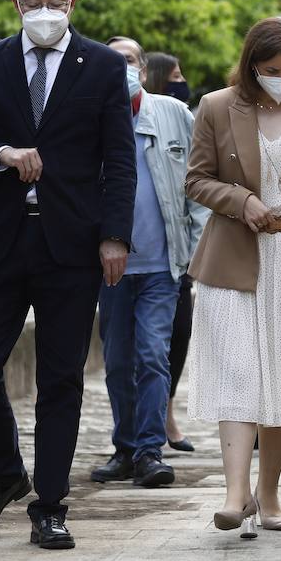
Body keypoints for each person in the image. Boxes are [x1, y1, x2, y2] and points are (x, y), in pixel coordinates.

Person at [0, 0, 136, 550]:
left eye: (56, 1)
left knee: (61, 379)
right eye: (34, 3)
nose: (45, 12)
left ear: (72, 4)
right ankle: (4, 474)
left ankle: (49, 504)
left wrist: (114, 236)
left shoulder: (103, 67)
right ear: (16, 4)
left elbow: (119, 161)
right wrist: (1, 153)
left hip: (71, 245)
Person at [185, 17, 281, 538]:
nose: (280, 77)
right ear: (252, 65)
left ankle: (269, 492)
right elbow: (197, 179)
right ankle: (235, 494)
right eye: (271, 69)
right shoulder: (215, 106)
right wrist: (241, 200)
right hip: (234, 257)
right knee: (239, 373)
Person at [89, 37, 209, 488]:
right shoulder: (89, 118)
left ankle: (149, 450)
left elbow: (199, 184)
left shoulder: (174, 114)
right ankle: (124, 446)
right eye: (114, 60)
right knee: (117, 361)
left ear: (143, 68)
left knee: (152, 355)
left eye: (130, 60)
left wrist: (196, 253)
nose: (122, 67)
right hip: (109, 268)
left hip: (163, 265)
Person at [139, 50, 199, 454]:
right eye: (174, 74)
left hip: (173, 259)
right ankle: (138, 433)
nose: (181, 80)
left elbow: (198, 185)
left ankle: (159, 425)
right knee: (137, 353)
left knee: (167, 344)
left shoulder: (180, 116)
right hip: (124, 263)